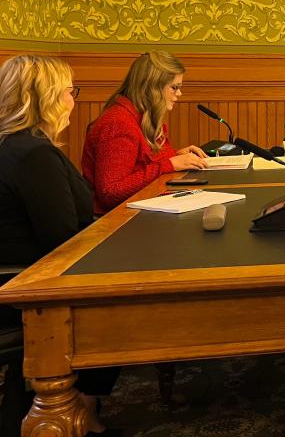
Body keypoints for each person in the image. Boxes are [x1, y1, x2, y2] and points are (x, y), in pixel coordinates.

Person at [0, 54, 119, 434]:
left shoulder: (15, 146)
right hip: (27, 287)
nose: (74, 100)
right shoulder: (34, 155)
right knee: (119, 301)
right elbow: (63, 240)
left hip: (19, 274)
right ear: (46, 98)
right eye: (70, 91)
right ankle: (80, 409)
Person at [83, 51, 206, 214]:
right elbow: (110, 192)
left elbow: (141, 163)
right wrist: (169, 164)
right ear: (152, 87)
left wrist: (176, 156)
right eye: (174, 87)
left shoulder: (144, 115)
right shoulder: (118, 123)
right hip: (116, 220)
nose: (179, 94)